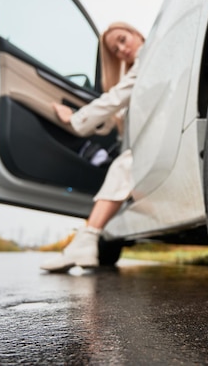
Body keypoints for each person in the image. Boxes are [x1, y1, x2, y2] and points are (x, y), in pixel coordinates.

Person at [40, 22, 145, 272]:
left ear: (136, 33)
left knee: (124, 165)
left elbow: (115, 98)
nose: (122, 49)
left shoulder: (148, 57)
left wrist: (74, 119)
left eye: (123, 39)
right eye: (115, 50)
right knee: (122, 165)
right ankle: (85, 241)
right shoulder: (136, 69)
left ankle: (84, 242)